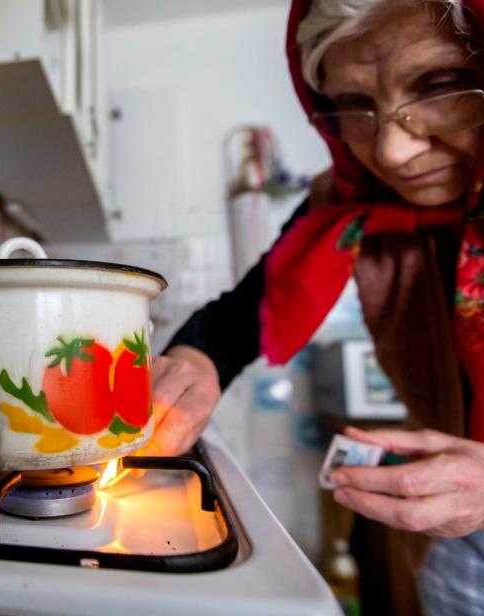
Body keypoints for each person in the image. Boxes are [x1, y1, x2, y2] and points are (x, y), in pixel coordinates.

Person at [139, 0, 484, 612]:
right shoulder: (351, 201)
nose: (395, 151)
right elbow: (234, 319)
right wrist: (190, 366)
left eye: (441, 85)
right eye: (355, 106)